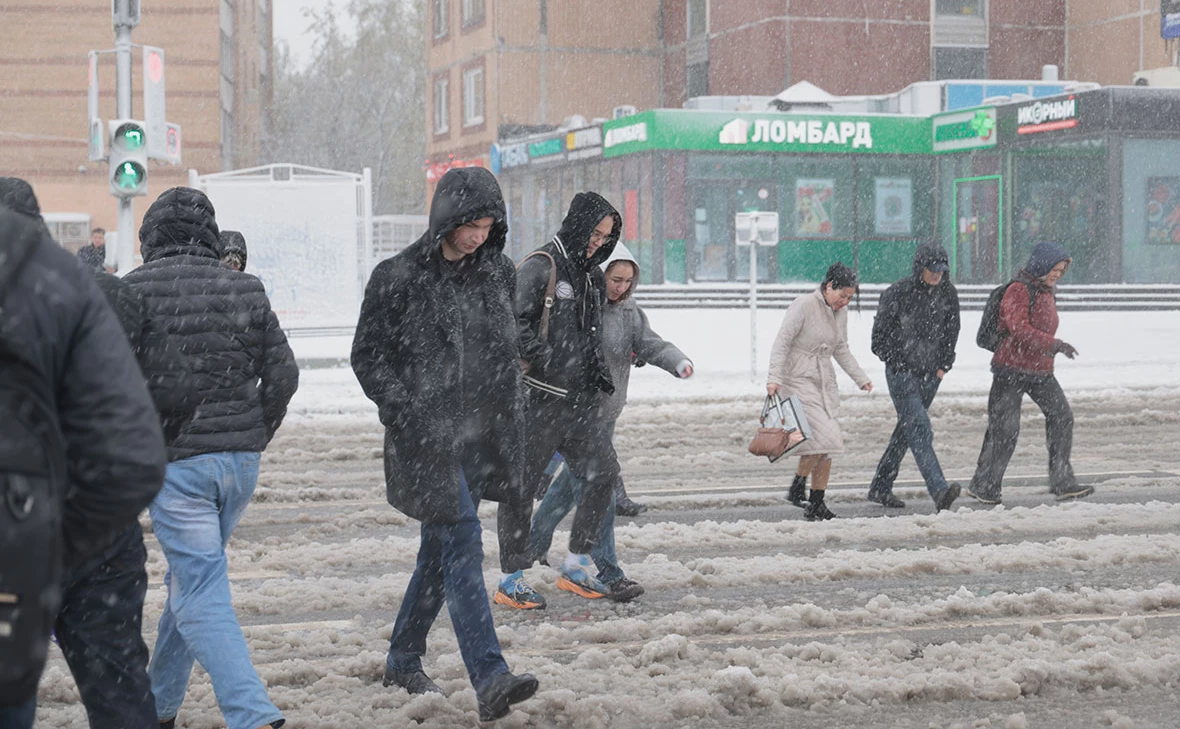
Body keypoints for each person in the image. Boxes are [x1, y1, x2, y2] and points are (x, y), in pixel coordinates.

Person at [350, 167, 538, 722]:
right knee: (462, 543)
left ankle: (403, 658)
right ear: (445, 218)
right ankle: (491, 676)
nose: (478, 236)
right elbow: (368, 356)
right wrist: (404, 410)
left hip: (484, 438)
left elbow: (507, 344)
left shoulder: (498, 273)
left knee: (438, 555)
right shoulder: (398, 276)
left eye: (487, 226)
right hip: (427, 440)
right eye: (470, 225)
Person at [122, 187, 299, 729]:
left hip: (176, 465)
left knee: (198, 589)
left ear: (150, 236)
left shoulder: (133, 292)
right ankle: (159, 709)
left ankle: (252, 714)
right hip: (238, 466)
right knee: (191, 583)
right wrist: (254, 433)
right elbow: (284, 374)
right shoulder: (244, 287)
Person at [0, 185, 166, 729]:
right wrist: (59, 540)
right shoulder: (80, 286)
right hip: (92, 535)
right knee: (119, 692)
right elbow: (142, 445)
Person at [528, 244, 693, 602]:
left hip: (606, 416)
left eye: (627, 281)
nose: (620, 287)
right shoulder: (583, 307)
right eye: (615, 279)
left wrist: (676, 361)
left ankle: (532, 547)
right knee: (598, 494)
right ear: (599, 274)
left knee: (567, 490)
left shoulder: (629, 311)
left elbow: (648, 343)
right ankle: (609, 572)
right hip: (578, 414)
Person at [503, 192, 622, 608]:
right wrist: (549, 359)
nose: (598, 242)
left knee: (603, 474)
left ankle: (575, 563)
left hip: (580, 403)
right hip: (539, 400)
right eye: (594, 233)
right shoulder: (541, 266)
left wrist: (596, 373)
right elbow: (512, 324)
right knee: (520, 488)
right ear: (577, 224)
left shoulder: (591, 276)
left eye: (605, 237)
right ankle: (511, 579)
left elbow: (590, 335)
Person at [967, 241, 1091, 505]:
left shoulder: (1047, 292)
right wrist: (1054, 345)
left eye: (1061, 271)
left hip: (1040, 370)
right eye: (1054, 269)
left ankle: (1062, 481)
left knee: (1062, 417)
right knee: (1005, 430)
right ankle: (985, 485)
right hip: (1010, 369)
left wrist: (1050, 348)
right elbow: (1019, 329)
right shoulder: (1019, 290)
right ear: (1042, 265)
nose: (1057, 274)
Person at [766, 262, 872, 521]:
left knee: (825, 446)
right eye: (842, 295)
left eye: (850, 298)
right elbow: (782, 342)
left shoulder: (840, 312)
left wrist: (860, 378)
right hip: (797, 378)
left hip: (823, 381)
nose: (845, 302)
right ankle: (798, 486)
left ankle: (815, 500)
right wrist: (774, 378)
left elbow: (841, 348)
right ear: (829, 286)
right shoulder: (803, 305)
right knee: (826, 437)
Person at [866, 243, 962, 513]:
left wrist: (944, 365)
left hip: (931, 374)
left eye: (942, 270)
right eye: (932, 269)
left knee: (906, 432)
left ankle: (880, 486)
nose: (937, 275)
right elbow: (878, 339)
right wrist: (898, 362)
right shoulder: (897, 293)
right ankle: (939, 491)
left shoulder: (948, 294)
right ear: (920, 268)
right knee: (919, 428)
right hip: (902, 375)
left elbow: (952, 330)